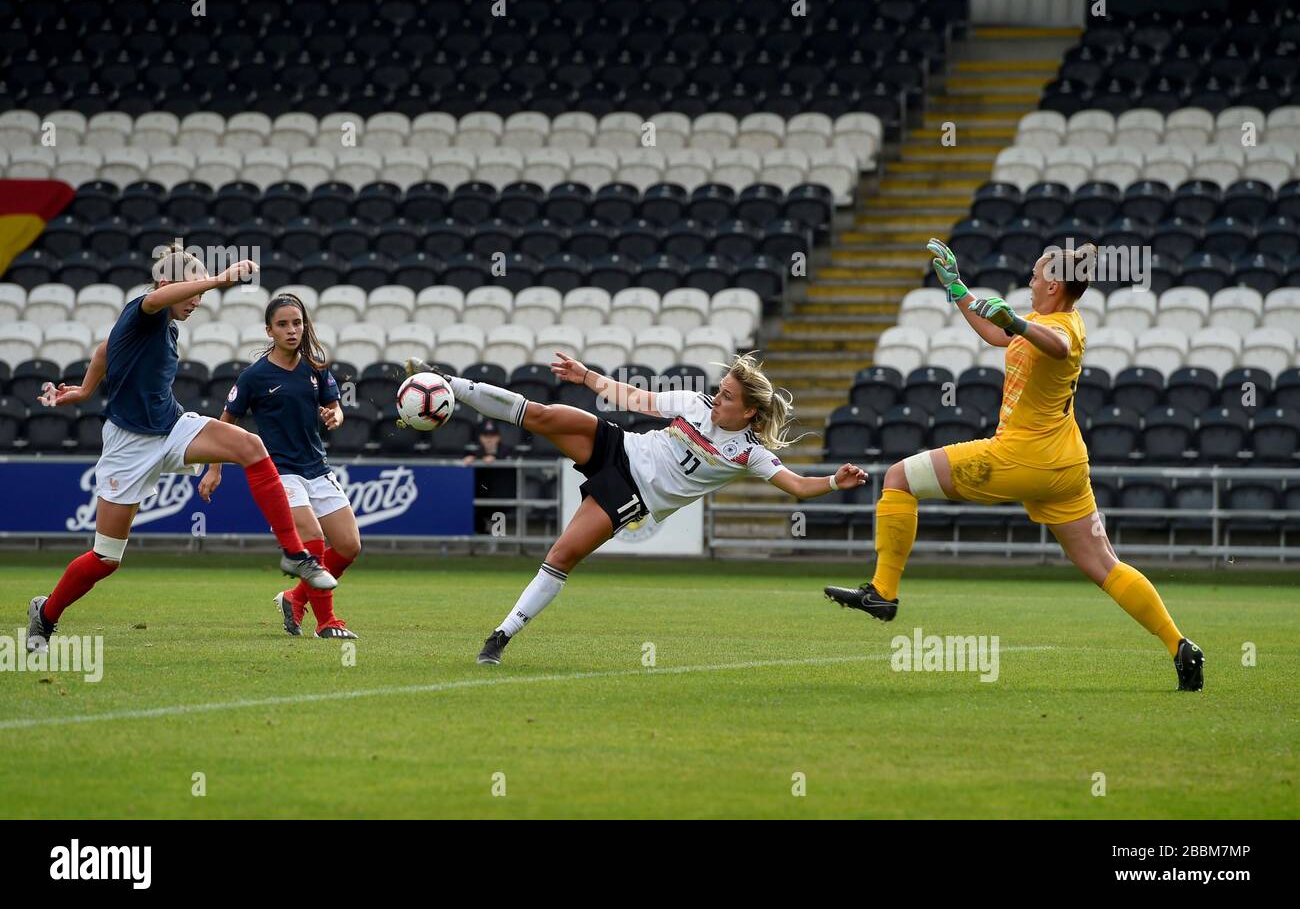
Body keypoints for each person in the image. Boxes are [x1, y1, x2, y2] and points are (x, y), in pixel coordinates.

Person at [823, 240, 1205, 691]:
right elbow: (996, 333)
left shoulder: (1063, 326)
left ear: (1054, 284)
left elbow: (1058, 347)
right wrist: (957, 288)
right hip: (1065, 466)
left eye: (1036, 273)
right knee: (1105, 565)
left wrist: (1017, 321)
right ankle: (1180, 646)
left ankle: (883, 592)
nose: (1029, 279)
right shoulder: (1042, 321)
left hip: (1022, 458)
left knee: (899, 478)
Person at [404, 351, 868, 665]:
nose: (718, 397)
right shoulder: (694, 404)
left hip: (629, 495)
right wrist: (587, 377)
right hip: (617, 446)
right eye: (721, 388)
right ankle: (447, 383)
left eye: (727, 395)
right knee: (542, 414)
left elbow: (798, 487)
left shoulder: (749, 453)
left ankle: (498, 638)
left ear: (748, 412)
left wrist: (833, 481)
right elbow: (636, 399)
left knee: (560, 557)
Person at [27, 245, 336, 653]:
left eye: (201, 295)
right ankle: (45, 616)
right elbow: (153, 301)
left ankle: (294, 553)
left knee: (251, 446)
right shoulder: (145, 307)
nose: (197, 301)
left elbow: (104, 350)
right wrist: (222, 279)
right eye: (191, 292)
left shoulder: (167, 327)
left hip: (171, 427)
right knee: (105, 558)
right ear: (167, 284)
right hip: (128, 446)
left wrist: (85, 389)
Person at [198, 294, 359, 639]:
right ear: (268, 330)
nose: (292, 330)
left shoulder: (315, 368)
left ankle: (294, 598)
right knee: (313, 537)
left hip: (317, 468)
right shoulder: (254, 376)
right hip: (279, 473)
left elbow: (335, 406)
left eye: (297, 323)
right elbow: (225, 424)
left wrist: (335, 415)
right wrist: (215, 469)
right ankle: (327, 622)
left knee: (349, 546)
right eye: (283, 324)